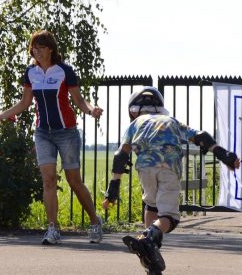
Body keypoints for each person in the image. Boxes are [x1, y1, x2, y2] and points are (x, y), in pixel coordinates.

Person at [0, 29, 104, 245]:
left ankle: (95, 222)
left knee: (73, 181)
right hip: (43, 133)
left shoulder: (65, 71)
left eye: (40, 47)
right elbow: (25, 103)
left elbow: (79, 101)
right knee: (48, 181)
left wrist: (91, 110)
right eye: (33, 48)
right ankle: (52, 229)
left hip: (66, 132)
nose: (36, 51)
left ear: (50, 49)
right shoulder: (31, 72)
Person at [103, 86, 241, 274]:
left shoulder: (135, 124)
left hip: (145, 168)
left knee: (151, 205)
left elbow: (120, 156)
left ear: (133, 110)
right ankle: (149, 239)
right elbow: (200, 136)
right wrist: (223, 154)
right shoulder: (171, 121)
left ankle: (150, 254)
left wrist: (113, 189)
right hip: (169, 168)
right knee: (170, 217)